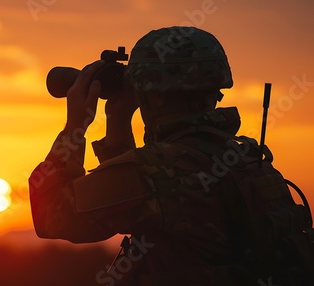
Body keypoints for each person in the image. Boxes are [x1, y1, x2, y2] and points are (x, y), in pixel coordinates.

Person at [29, 26, 311, 285]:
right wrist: (118, 119)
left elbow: (51, 216)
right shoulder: (243, 159)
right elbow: (137, 208)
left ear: (149, 95)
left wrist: (75, 126)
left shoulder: (157, 170)